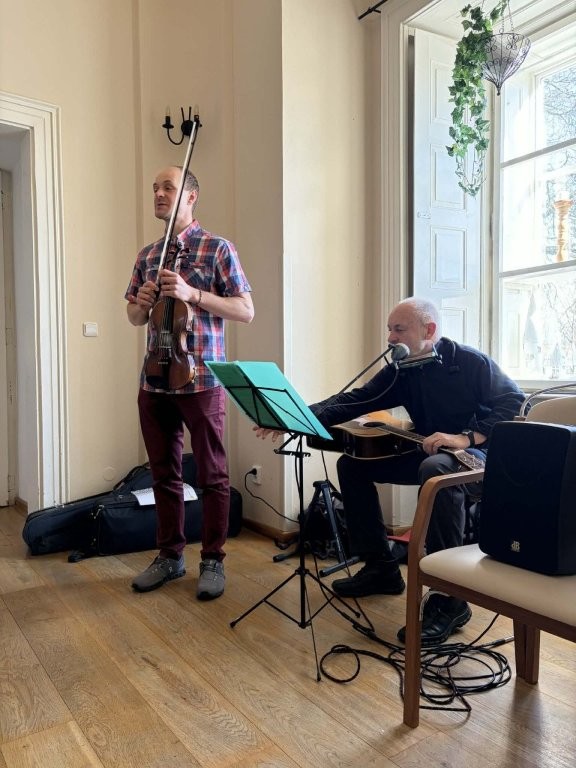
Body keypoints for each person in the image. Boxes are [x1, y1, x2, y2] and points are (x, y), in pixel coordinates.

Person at [256, 297, 524, 644]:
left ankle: (451, 599)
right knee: (352, 465)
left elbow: (514, 401)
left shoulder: (471, 361)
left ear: (429, 329)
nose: (390, 338)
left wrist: (466, 437)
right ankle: (380, 567)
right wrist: (291, 417)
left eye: (399, 329)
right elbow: (354, 400)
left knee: (437, 469)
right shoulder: (402, 370)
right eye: (389, 329)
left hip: (479, 457)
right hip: (430, 453)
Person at [125, 166, 254, 600]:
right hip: (155, 379)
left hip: (201, 379)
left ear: (192, 196)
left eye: (169, 187)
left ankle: (213, 559)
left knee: (213, 474)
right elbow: (133, 315)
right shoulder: (148, 254)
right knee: (163, 473)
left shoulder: (217, 248)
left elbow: (245, 310)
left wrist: (192, 294)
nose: (159, 194)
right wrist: (143, 303)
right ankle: (170, 556)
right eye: (155, 188)